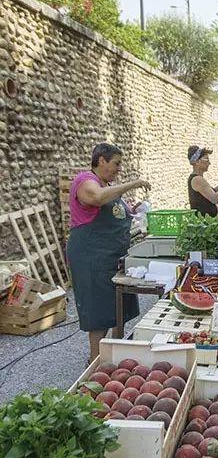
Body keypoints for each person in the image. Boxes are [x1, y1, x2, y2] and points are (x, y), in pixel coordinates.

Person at [67, 143, 150, 362]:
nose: (119, 168)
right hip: (92, 256)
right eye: (116, 163)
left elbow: (115, 211)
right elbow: (95, 198)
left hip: (114, 255)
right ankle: (95, 361)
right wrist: (131, 184)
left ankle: (116, 352)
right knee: (99, 310)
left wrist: (134, 210)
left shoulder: (106, 184)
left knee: (119, 305)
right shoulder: (85, 180)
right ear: (101, 160)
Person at [188, 146, 218, 216]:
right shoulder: (197, 179)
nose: (209, 163)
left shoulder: (198, 178)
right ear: (197, 162)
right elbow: (215, 198)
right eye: (206, 160)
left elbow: (212, 192)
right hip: (204, 223)